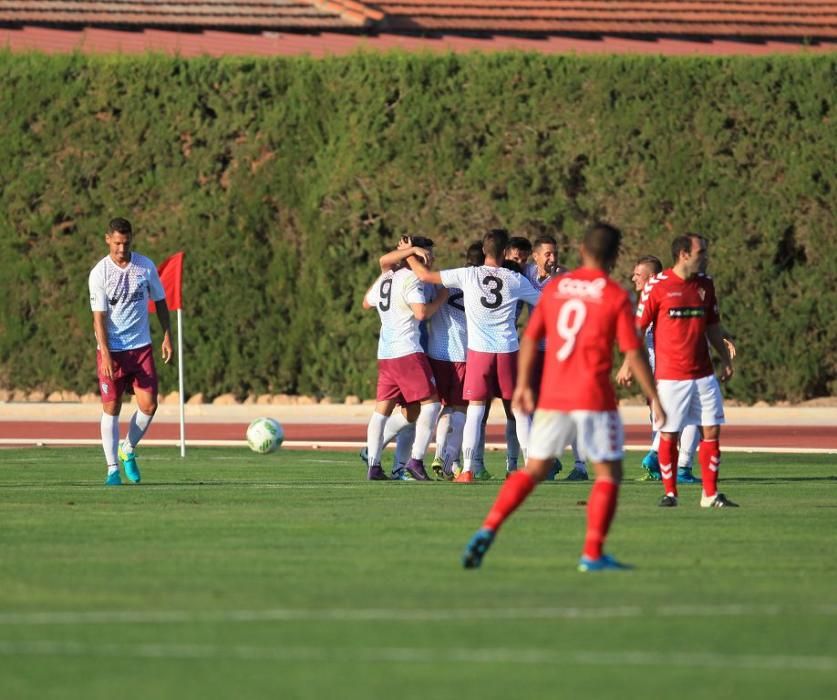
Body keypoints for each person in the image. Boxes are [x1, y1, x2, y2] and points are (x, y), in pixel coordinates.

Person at [461, 223, 665, 571]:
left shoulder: (556, 289)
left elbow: (529, 338)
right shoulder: (615, 294)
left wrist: (524, 384)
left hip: (555, 395)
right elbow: (634, 351)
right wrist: (654, 397)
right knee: (607, 474)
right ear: (615, 256)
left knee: (534, 470)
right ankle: (593, 552)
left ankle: (489, 527)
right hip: (594, 397)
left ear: (583, 250)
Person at [406, 228, 541, 482]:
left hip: (478, 353)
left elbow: (424, 275)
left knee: (475, 410)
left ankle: (467, 469)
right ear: (504, 252)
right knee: (518, 411)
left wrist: (408, 253)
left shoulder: (468, 274)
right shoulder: (515, 279)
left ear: (484, 250)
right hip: (508, 350)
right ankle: (530, 467)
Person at [634, 234, 737, 508]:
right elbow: (638, 327)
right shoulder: (658, 285)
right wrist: (627, 362)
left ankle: (710, 495)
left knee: (711, 431)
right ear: (683, 254)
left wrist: (725, 359)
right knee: (668, 434)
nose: (705, 257)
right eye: (701, 252)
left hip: (703, 374)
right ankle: (670, 493)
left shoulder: (706, 284)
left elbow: (713, 326)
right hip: (670, 376)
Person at [88, 217, 172, 485]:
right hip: (112, 349)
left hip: (141, 347)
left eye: (126, 243)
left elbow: (160, 302)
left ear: (131, 240)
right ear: (107, 240)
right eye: (116, 243)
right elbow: (98, 318)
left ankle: (128, 449)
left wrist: (167, 336)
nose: (121, 249)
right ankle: (112, 468)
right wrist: (106, 354)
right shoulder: (99, 273)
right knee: (111, 407)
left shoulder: (145, 267)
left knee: (149, 405)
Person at [362, 237, 446, 481]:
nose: (432, 260)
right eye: (429, 255)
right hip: (407, 352)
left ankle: (374, 466)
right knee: (432, 405)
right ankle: (416, 461)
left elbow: (366, 302)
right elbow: (421, 313)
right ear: (417, 257)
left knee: (383, 412)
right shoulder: (411, 278)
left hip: (386, 355)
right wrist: (441, 298)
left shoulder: (386, 278)